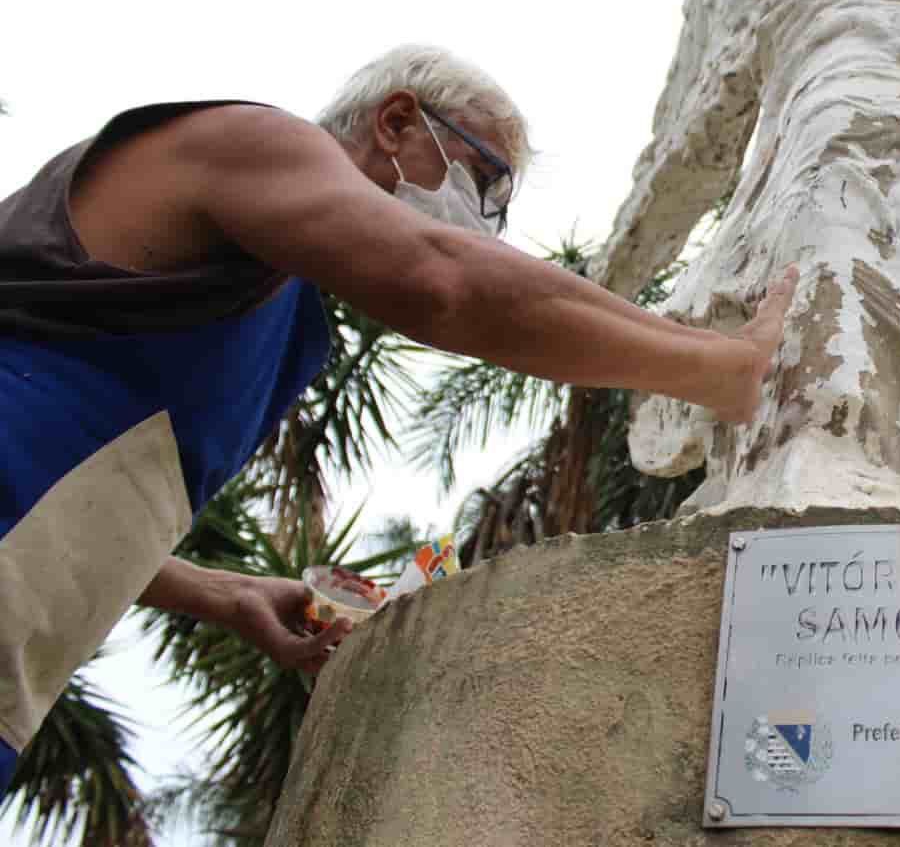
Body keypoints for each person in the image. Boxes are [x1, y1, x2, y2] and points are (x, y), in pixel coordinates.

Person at [0, 44, 798, 794]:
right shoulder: (250, 143)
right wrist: (721, 369)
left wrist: (223, 591)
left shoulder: (275, 313)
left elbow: (77, 496)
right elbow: (443, 279)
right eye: (484, 180)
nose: (482, 222)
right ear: (396, 122)